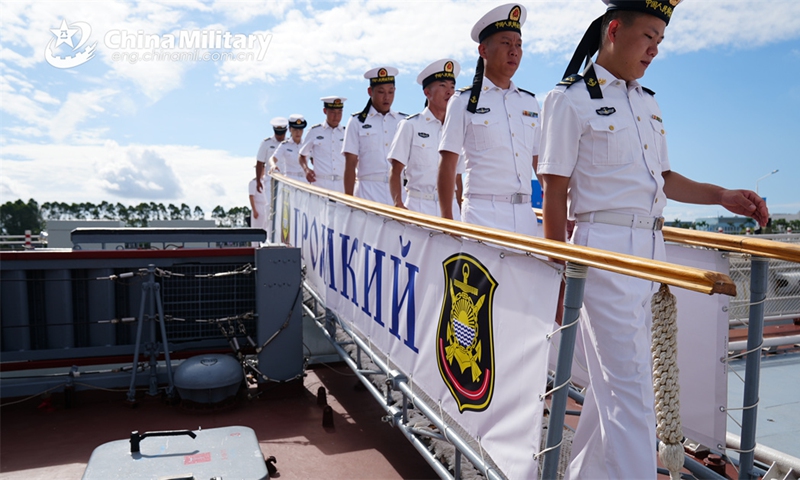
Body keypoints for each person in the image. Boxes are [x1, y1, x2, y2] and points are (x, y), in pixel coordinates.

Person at [537, 1, 770, 478]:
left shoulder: (647, 101)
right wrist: (558, 270)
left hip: (650, 251)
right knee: (632, 391)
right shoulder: (568, 99)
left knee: (612, 391)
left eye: (660, 42)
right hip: (601, 250)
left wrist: (722, 195)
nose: (654, 51)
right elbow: (555, 188)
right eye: (648, 38)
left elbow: (663, 178)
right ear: (615, 30)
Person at [438, 3, 542, 236]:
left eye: (518, 45)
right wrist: (447, 223)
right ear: (483, 51)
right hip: (482, 215)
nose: (514, 51)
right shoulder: (463, 101)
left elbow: (539, 163)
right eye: (506, 43)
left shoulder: (530, 103)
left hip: (526, 215)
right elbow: (447, 165)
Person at [388, 59, 464, 221]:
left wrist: (459, 208)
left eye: (452, 87)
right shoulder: (410, 125)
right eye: (443, 86)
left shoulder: (457, 128)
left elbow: (457, 177)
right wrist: (398, 204)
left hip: (451, 210)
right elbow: (396, 170)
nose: (449, 92)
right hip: (418, 206)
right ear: (427, 93)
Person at [342, 67, 404, 205]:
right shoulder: (357, 121)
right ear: (370, 92)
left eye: (391, 92)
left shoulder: (403, 121)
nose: (386, 97)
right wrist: (348, 200)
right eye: (381, 92)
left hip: (398, 193)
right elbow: (350, 163)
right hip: (367, 192)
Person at [299, 96, 347, 193]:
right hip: (321, 184)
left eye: (339, 112)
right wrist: (306, 169)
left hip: (342, 185)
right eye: (333, 112)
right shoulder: (314, 131)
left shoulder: (347, 133)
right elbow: (302, 155)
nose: (336, 116)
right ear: (325, 111)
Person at [270, 114, 308, 182]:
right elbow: (272, 158)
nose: (298, 132)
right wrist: (273, 165)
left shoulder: (307, 145)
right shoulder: (285, 145)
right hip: (289, 180)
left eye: (300, 129)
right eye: (295, 129)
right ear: (290, 129)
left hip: (304, 181)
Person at [255, 117, 288, 194]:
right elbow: (260, 162)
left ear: (286, 130)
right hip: (271, 180)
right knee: (270, 205)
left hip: (287, 180)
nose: (279, 136)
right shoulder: (266, 143)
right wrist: (258, 180)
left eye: (281, 133)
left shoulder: (290, 143)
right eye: (277, 133)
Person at [248, 173, 268, 245]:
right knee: (256, 230)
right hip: (258, 206)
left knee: (265, 229)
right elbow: (251, 196)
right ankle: (255, 247)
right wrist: (254, 210)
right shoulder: (253, 182)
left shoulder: (264, 182)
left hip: (264, 206)